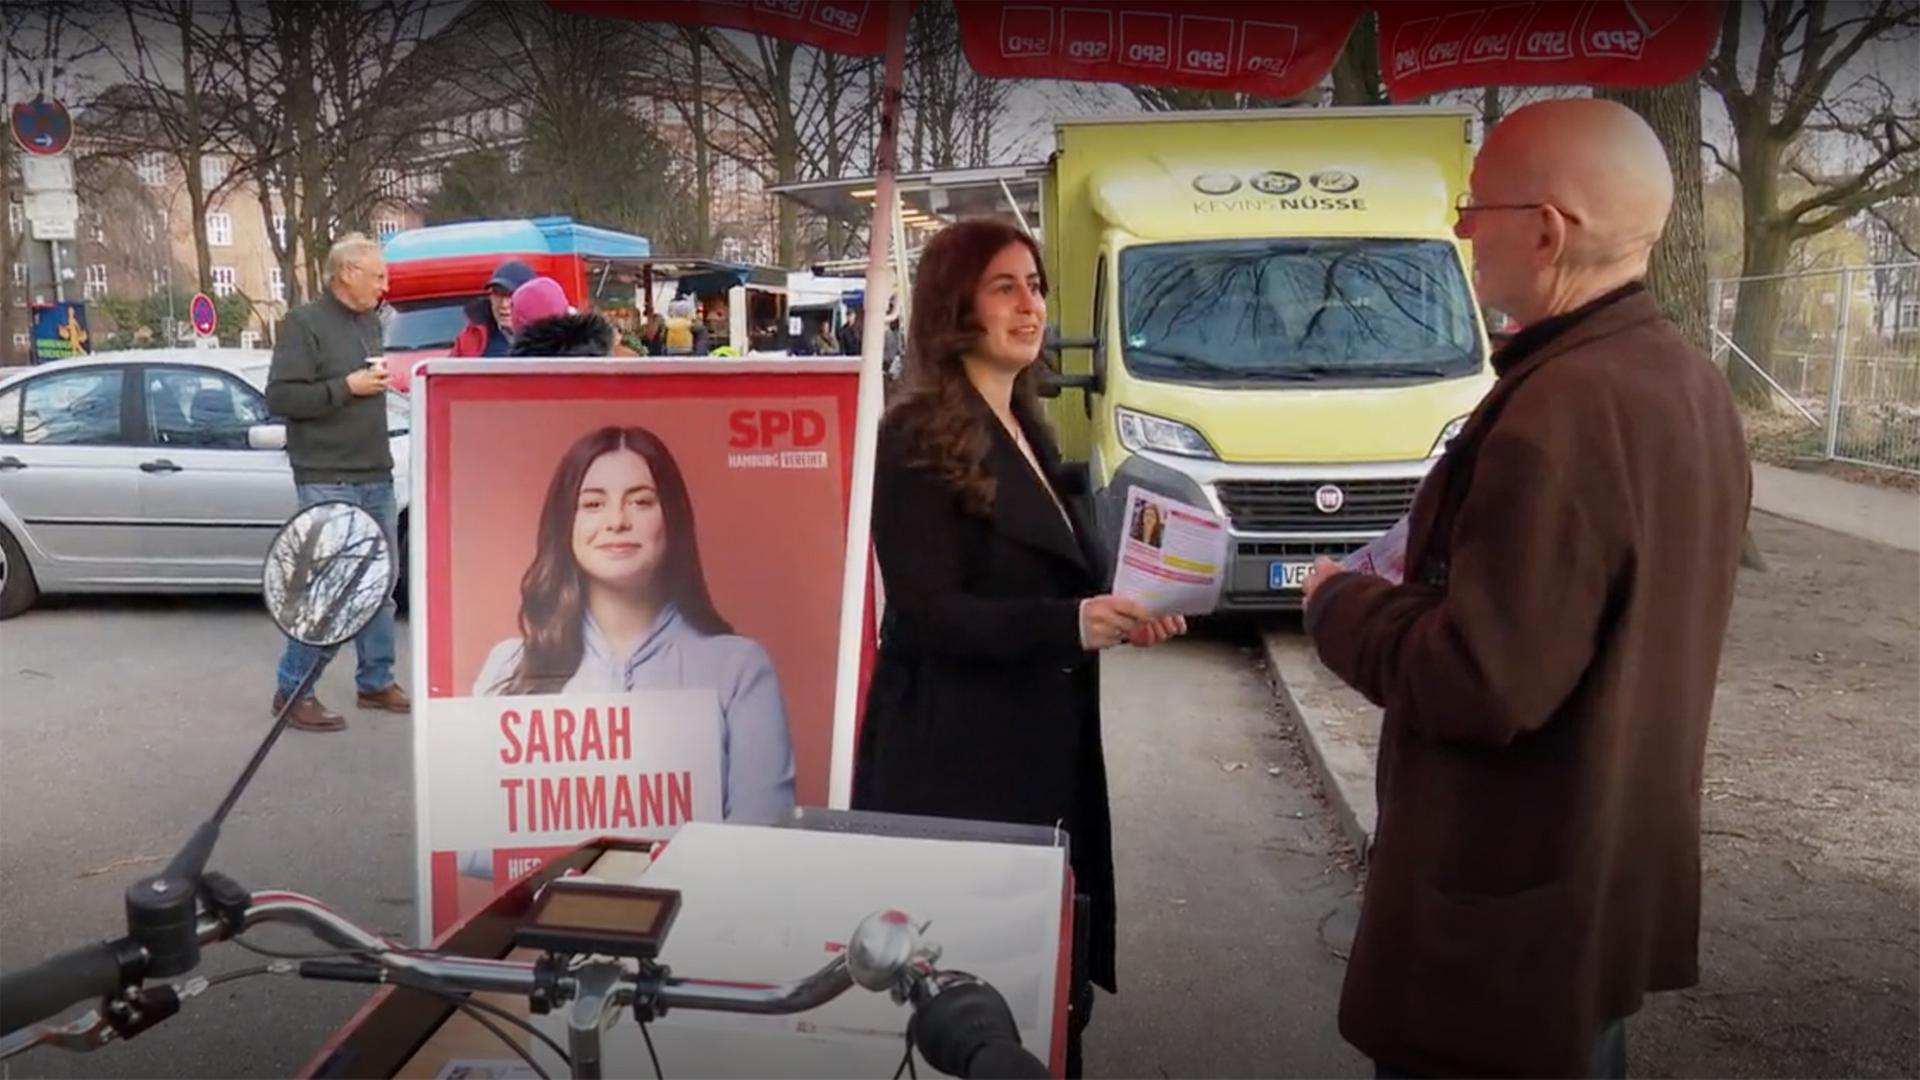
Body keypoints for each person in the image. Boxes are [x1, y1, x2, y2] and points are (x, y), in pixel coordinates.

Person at [1301, 98, 1752, 1078]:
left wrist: (1337, 601)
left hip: (1501, 930)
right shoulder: (1685, 382)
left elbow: (1485, 678)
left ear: (1546, 229)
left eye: (1475, 206)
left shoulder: (1564, 408)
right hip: (1588, 892)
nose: (1460, 229)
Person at [850, 218, 1186, 1077]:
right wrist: (1071, 624)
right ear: (954, 304)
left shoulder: (1027, 424)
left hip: (1038, 747)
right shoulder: (914, 434)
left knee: (1044, 981)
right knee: (984, 991)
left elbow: (1049, 580)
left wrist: (1129, 608)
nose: (1030, 303)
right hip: (958, 763)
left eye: (1035, 284)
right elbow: (928, 613)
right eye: (1006, 286)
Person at [473, 424, 796, 824]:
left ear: (672, 518)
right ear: (565, 525)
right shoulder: (509, 666)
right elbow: (477, 839)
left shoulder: (739, 667)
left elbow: (759, 834)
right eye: (592, 504)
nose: (617, 521)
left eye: (641, 502)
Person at [264, 233, 411, 732]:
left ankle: (375, 681)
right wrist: (345, 388)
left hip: (375, 471)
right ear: (346, 273)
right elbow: (281, 397)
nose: (385, 286)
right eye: (378, 276)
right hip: (326, 476)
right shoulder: (303, 324)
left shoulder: (370, 322)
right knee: (327, 591)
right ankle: (292, 691)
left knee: (382, 585)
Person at [449, 259, 536, 357]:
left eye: (511, 294)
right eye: (497, 294)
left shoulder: (548, 340)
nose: (504, 304)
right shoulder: (472, 337)